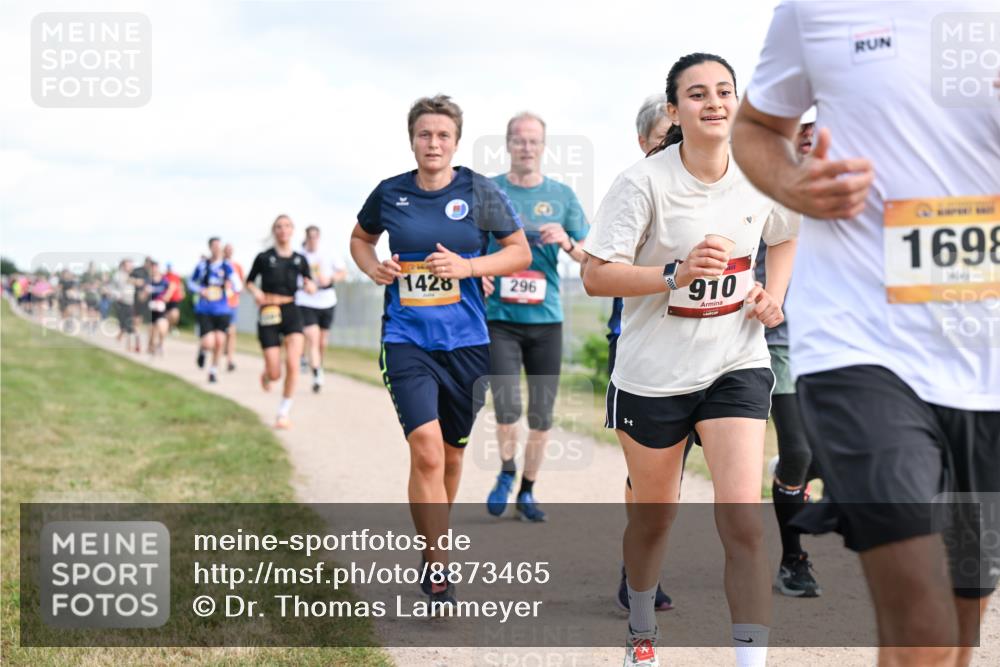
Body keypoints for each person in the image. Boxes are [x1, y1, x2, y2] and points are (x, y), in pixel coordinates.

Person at [732, 3, 999, 665]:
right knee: (924, 619)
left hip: (985, 354)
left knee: (962, 625)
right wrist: (795, 182)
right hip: (859, 340)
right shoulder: (815, 9)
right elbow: (758, 126)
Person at [583, 53, 799, 667]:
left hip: (736, 361)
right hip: (653, 376)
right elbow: (596, 277)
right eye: (697, 94)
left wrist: (771, 297)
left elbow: (784, 234)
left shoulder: (760, 173)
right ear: (675, 111)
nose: (714, 102)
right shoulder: (643, 181)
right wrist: (672, 274)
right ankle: (642, 631)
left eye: (724, 91)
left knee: (745, 522)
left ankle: (749, 661)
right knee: (654, 520)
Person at [350, 95, 530, 608]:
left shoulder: (479, 190)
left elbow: (518, 251)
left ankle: (436, 541)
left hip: (468, 343)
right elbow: (361, 240)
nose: (433, 143)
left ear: (456, 141)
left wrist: (469, 268)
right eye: (424, 134)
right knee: (426, 449)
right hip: (406, 339)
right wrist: (373, 268)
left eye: (443, 135)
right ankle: (437, 561)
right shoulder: (390, 193)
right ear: (412, 139)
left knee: (452, 454)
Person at [480, 112, 588, 523]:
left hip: (546, 321)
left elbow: (588, 255)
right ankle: (507, 472)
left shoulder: (561, 195)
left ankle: (527, 490)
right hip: (500, 319)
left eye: (533, 141)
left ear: (543, 147)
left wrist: (566, 241)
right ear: (508, 144)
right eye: (519, 140)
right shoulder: (489, 191)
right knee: (506, 405)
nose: (526, 147)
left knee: (541, 414)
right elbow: (469, 247)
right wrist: (481, 275)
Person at [606, 94, 679, 614]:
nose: (676, 148)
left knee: (676, 477)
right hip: (640, 347)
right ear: (644, 143)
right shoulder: (633, 190)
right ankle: (636, 571)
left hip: (708, 351)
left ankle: (647, 565)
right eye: (664, 140)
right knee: (649, 479)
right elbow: (603, 269)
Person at [753, 111, 823, 599]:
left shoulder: (850, 194)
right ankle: (793, 559)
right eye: (807, 134)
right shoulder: (764, 189)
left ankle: (793, 475)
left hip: (835, 343)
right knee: (799, 451)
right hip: (779, 341)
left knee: (833, 455)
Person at [244, 215, 316, 429]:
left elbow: (308, 281)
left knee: (293, 363)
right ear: (274, 231)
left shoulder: (299, 260)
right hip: (269, 311)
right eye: (278, 227)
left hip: (291, 309)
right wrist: (256, 292)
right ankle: (268, 374)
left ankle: (283, 412)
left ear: (292, 230)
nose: (283, 230)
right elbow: (249, 282)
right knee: (276, 372)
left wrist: (310, 286)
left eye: (286, 226)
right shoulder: (264, 257)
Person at [295, 225, 348, 393]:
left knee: (322, 342)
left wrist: (330, 278)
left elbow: (343, 272)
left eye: (315, 236)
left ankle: (318, 365)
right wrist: (305, 284)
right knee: (313, 338)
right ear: (306, 237)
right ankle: (317, 374)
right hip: (306, 300)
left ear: (319, 237)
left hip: (327, 301)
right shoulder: (299, 255)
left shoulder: (328, 252)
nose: (312, 240)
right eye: (310, 236)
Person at [188, 238, 241, 383]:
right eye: (214, 246)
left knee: (219, 341)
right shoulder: (203, 266)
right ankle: (203, 350)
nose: (217, 249)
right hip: (205, 309)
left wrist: (231, 288)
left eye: (219, 246)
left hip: (222, 309)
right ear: (210, 248)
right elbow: (191, 282)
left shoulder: (226, 267)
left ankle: (213, 370)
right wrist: (201, 290)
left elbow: (238, 285)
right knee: (209, 342)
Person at [222, 244, 246, 372]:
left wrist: (235, 291)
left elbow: (241, 285)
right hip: (218, 304)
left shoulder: (237, 267)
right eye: (226, 250)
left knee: (231, 332)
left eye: (231, 250)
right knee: (220, 333)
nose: (229, 252)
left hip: (232, 303)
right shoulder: (218, 265)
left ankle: (230, 360)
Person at [110, 259, 137, 350]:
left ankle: (128, 345)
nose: (131, 267)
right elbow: (112, 288)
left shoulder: (131, 276)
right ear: (123, 266)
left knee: (129, 325)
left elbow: (131, 289)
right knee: (124, 325)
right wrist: (118, 295)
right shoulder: (118, 276)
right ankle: (120, 341)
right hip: (121, 303)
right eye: (129, 265)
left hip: (130, 303)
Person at [145, 261, 171, 356]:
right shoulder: (148, 280)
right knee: (151, 329)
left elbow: (170, 290)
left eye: (155, 267)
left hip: (161, 307)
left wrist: (166, 297)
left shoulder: (164, 280)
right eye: (152, 268)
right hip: (151, 307)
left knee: (162, 327)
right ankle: (150, 346)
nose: (154, 269)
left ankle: (161, 344)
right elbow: (143, 295)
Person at [163, 262, 185, 333]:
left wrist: (182, 292)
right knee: (166, 315)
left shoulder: (176, 276)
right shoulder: (164, 276)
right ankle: (166, 327)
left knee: (175, 315)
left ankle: (171, 327)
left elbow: (180, 284)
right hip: (165, 299)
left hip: (174, 299)